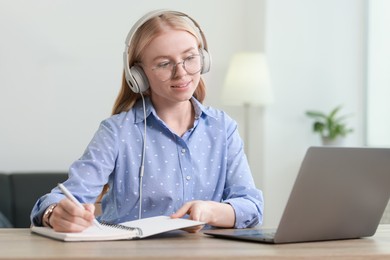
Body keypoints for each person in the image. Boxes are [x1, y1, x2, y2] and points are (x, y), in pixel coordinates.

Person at [30, 9, 264, 233]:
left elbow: (252, 206)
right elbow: (62, 199)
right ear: (138, 76)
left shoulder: (222, 128)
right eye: (164, 64)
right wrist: (55, 212)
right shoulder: (117, 132)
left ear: (203, 59)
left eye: (190, 58)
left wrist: (210, 211)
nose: (181, 73)